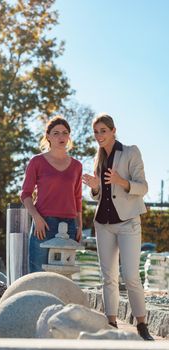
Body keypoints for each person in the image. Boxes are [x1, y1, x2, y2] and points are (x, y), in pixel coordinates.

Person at [82, 113, 154, 341]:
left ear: (113, 131)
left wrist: (120, 181)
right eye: (96, 132)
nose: (99, 135)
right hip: (103, 224)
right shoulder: (98, 158)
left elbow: (143, 188)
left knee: (131, 275)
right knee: (108, 277)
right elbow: (100, 196)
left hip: (128, 223)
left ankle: (142, 325)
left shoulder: (131, 152)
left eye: (103, 130)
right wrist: (94, 188)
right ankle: (111, 323)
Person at [20, 115, 82, 273]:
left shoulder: (76, 166)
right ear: (48, 136)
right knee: (38, 274)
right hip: (43, 224)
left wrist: (79, 224)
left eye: (65, 133)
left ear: (69, 136)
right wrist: (36, 217)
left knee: (63, 276)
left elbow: (77, 197)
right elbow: (25, 194)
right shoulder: (37, 162)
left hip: (69, 226)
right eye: (56, 133)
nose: (61, 137)